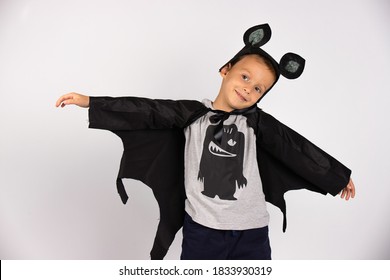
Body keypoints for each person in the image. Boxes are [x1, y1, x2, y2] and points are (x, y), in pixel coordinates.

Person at [55, 24, 355, 260]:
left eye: (259, 88)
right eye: (245, 77)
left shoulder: (257, 123)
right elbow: (146, 110)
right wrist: (92, 102)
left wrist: (337, 176)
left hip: (252, 233)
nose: (249, 89)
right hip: (203, 231)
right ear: (226, 70)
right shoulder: (192, 114)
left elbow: (296, 148)